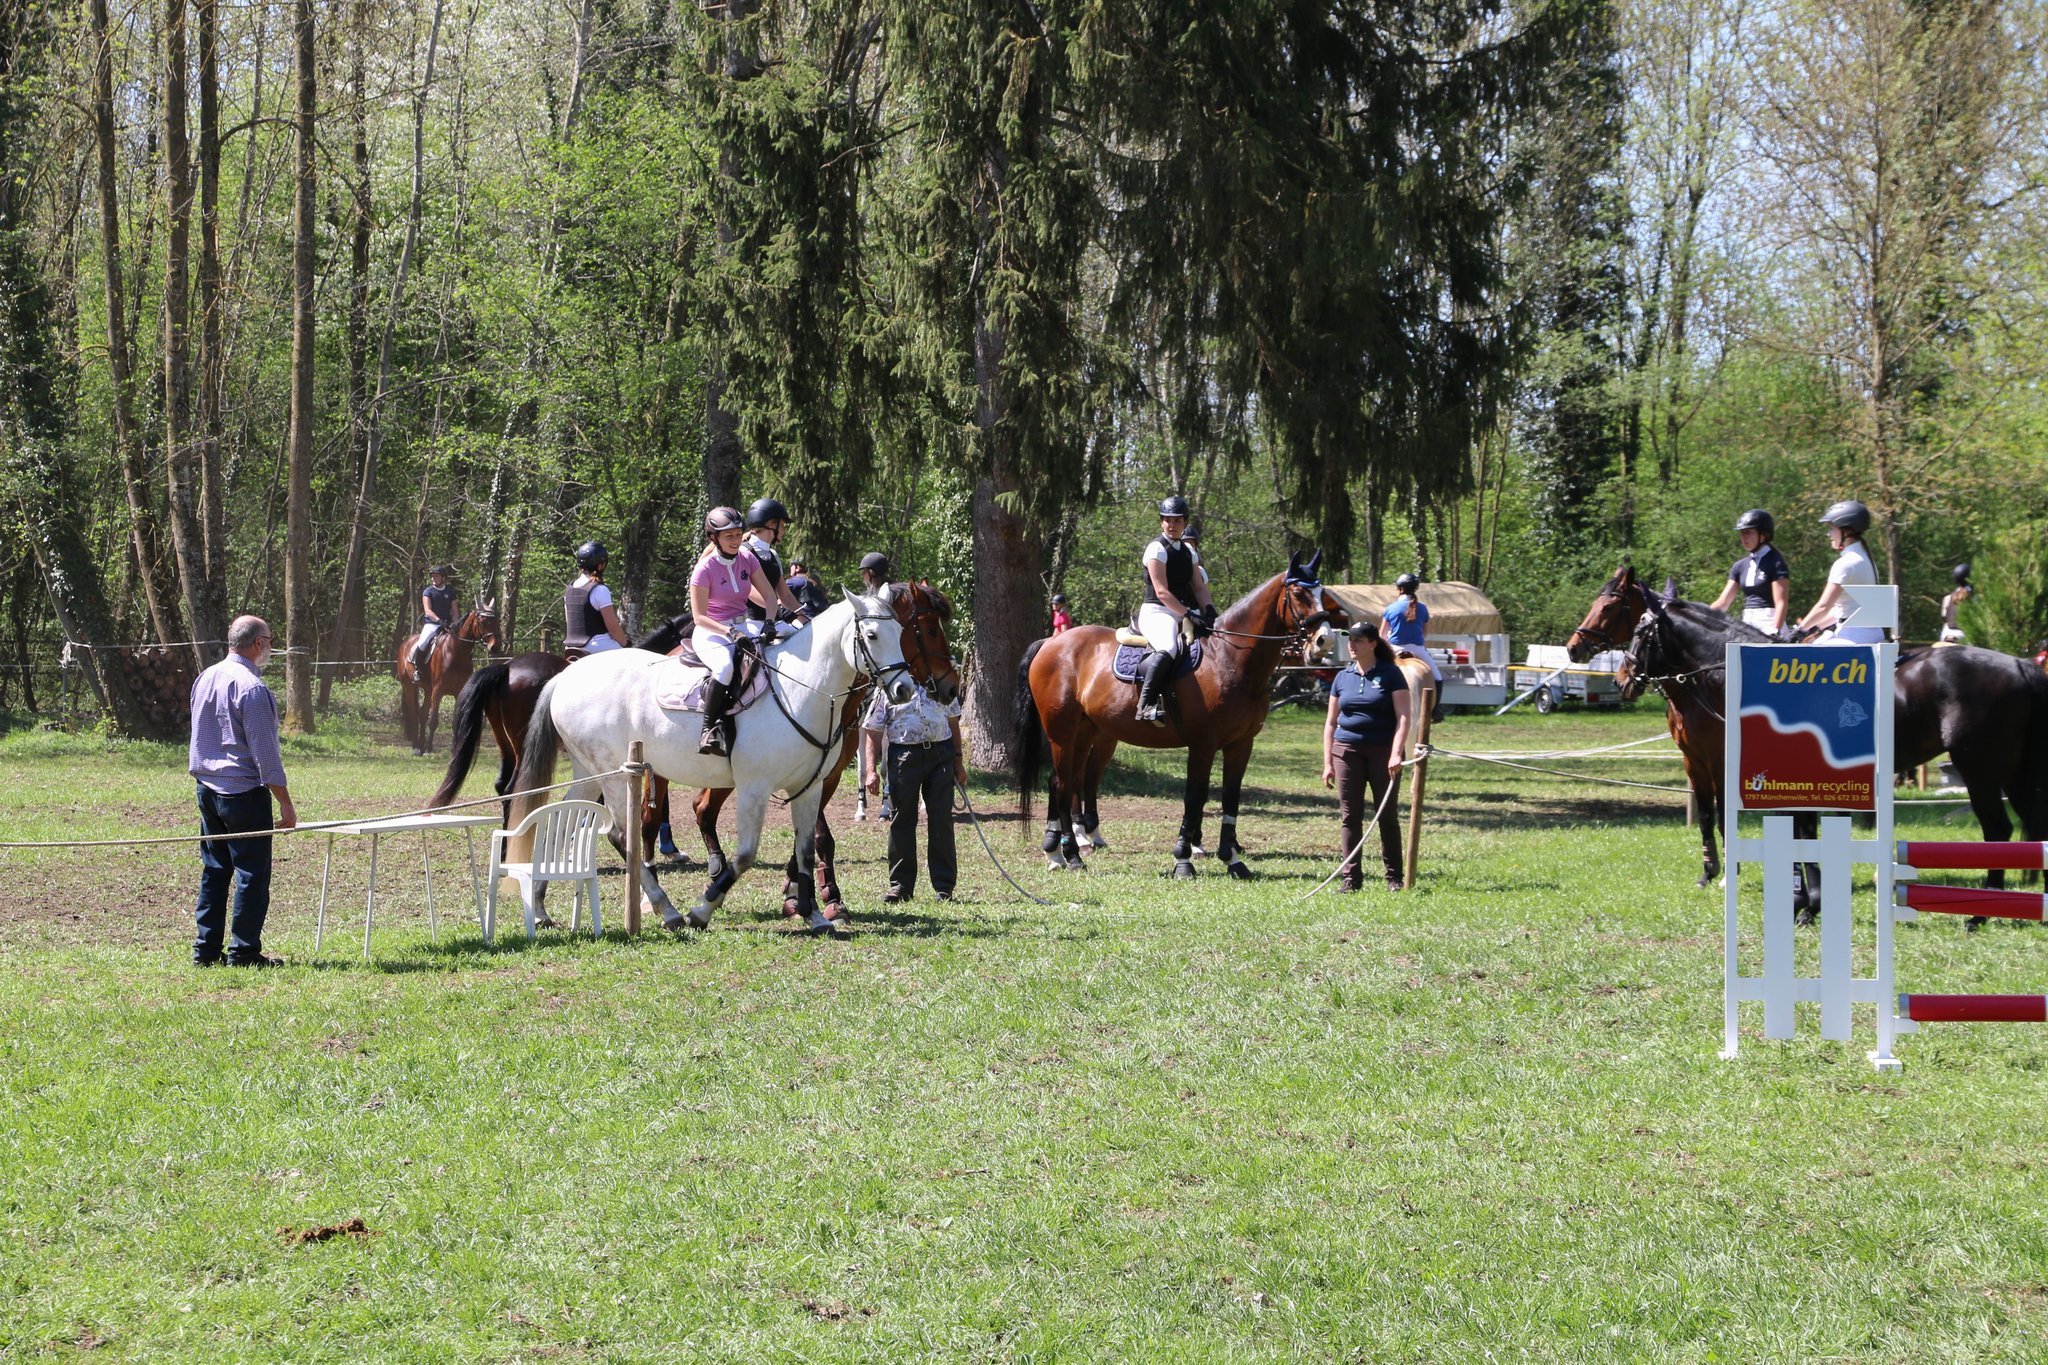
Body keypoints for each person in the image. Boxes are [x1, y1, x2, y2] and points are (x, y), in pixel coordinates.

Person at [188, 615, 297, 967]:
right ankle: (244, 952)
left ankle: (205, 951)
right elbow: (266, 756)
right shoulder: (252, 688)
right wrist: (285, 803)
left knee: (215, 871)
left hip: (207, 791)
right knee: (252, 874)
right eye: (270, 640)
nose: (271, 647)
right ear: (258, 643)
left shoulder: (206, 677)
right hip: (243, 796)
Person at [1320, 619, 1411, 893]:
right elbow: (1330, 723)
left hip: (1383, 752)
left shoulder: (1391, 674)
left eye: (1358, 640)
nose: (1352, 645)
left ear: (1372, 643)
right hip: (1346, 751)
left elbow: (1403, 717)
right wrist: (1327, 762)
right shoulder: (1342, 677)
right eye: (1350, 639)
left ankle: (1394, 877)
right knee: (1350, 816)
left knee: (1386, 814)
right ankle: (1351, 879)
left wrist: (1396, 753)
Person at [690, 507, 780, 756]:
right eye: (729, 536)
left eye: (739, 534)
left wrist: (770, 622)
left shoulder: (747, 558)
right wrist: (730, 633)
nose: (736, 540)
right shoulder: (704, 569)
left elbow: (769, 596)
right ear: (714, 537)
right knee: (724, 667)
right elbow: (699, 617)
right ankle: (708, 729)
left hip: (743, 625)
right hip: (712, 629)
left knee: (787, 641)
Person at [879, 673, 966, 905]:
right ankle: (900, 885)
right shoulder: (891, 686)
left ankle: (944, 887)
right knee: (902, 819)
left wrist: (958, 761)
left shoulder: (941, 684)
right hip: (903, 756)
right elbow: (873, 728)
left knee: (941, 820)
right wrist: (870, 770)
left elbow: (953, 722)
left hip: (940, 754)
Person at [1136, 494, 1216, 724]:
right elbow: (1161, 592)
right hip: (1157, 612)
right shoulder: (1156, 549)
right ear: (1161, 522)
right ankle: (1145, 704)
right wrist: (1187, 614)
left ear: (1185, 522)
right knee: (1169, 647)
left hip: (1183, 611)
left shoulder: (1189, 551)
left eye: (1177, 521)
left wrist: (1209, 609)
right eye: (1167, 520)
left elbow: (1199, 587)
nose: (1172, 525)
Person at [1794, 501, 1885, 645]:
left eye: (1831, 528)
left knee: (1809, 655)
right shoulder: (1866, 560)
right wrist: (1813, 628)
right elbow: (1841, 610)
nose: (1828, 534)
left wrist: (1799, 631)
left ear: (1846, 531)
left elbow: (1824, 606)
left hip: (1853, 636)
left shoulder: (1845, 563)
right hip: (1870, 633)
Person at [1708, 510, 1790, 635]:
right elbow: (1723, 602)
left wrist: (1775, 631)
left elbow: (1781, 603)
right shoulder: (1740, 566)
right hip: (1747, 623)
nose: (1743, 537)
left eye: (1748, 532)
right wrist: (1701, 616)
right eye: (1741, 533)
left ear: (1763, 535)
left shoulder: (1776, 562)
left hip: (1770, 622)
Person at [855, 552, 893, 821]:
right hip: (868, 672)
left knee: (886, 739)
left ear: (870, 573)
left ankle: (886, 798)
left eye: (864, 573)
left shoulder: (885, 595)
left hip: (880, 673)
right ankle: (861, 798)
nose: (863, 577)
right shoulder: (872, 596)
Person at [742, 497, 805, 624]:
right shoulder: (743, 552)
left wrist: (806, 621)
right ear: (772, 525)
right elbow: (747, 589)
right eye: (782, 525)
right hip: (750, 622)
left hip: (774, 621)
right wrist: (778, 609)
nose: (784, 531)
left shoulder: (773, 555)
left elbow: (786, 595)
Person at [563, 541, 628, 655]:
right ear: (600, 565)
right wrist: (625, 643)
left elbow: (569, 621)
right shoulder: (600, 589)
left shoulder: (569, 590)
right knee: (630, 656)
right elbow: (613, 628)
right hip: (597, 645)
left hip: (570, 647)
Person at [1381, 573, 1443, 683]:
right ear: (1415, 589)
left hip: (1395, 649)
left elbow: (1382, 635)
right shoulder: (1423, 608)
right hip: (1418, 650)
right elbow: (1424, 634)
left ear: (1400, 589)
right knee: (1437, 678)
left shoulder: (1390, 608)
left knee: (1378, 675)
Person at [410, 564, 457, 672]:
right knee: (422, 643)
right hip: (432, 624)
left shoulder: (450, 592)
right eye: (432, 576)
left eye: (436, 576)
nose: (433, 578)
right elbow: (428, 611)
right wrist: (439, 621)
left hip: (448, 625)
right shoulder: (428, 591)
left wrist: (455, 623)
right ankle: (418, 669)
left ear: (443, 578)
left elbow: (455, 612)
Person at [1938, 562, 1973, 644]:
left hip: (1946, 634)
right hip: (1964, 635)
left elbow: (1944, 617)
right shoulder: (1975, 598)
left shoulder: (1947, 598)